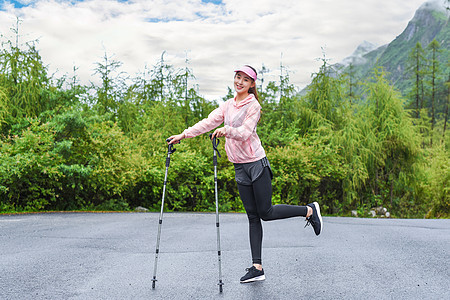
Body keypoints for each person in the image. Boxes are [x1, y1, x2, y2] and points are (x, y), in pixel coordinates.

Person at [168, 65, 323, 283]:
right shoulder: (227, 106)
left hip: (256, 164)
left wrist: (226, 130)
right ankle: (257, 267)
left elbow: (244, 133)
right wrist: (182, 135)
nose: (240, 81)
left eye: (245, 79)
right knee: (252, 216)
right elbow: (207, 123)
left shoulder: (254, 106)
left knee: (266, 212)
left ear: (251, 84)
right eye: (237, 77)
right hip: (239, 166)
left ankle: (308, 210)